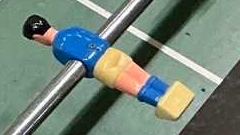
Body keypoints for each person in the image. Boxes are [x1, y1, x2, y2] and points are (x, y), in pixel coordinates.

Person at [22, 15, 195, 120]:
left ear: (37, 37)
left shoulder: (57, 49)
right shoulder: (73, 29)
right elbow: (95, 38)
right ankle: (168, 90)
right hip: (112, 54)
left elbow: (76, 66)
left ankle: (160, 102)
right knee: (145, 77)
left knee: (136, 87)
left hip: (101, 67)